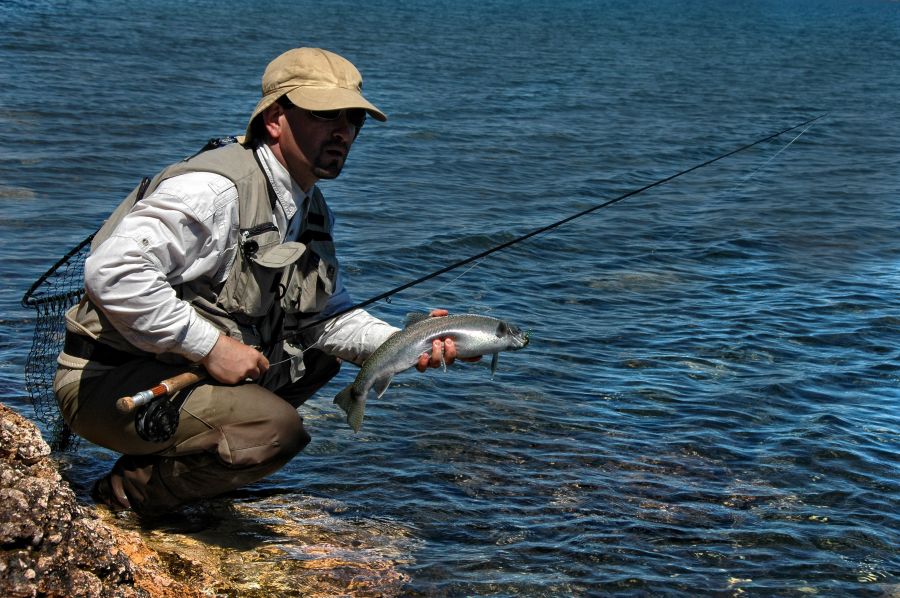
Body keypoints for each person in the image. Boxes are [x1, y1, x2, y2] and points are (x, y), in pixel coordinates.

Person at [53, 48, 470, 515]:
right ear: (275, 118)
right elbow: (114, 273)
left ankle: (195, 461)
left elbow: (326, 319)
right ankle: (129, 495)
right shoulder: (214, 190)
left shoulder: (308, 207)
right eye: (325, 115)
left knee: (318, 361)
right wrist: (212, 347)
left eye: (354, 120)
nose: (343, 133)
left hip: (171, 377)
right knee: (278, 431)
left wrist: (407, 342)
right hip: (109, 386)